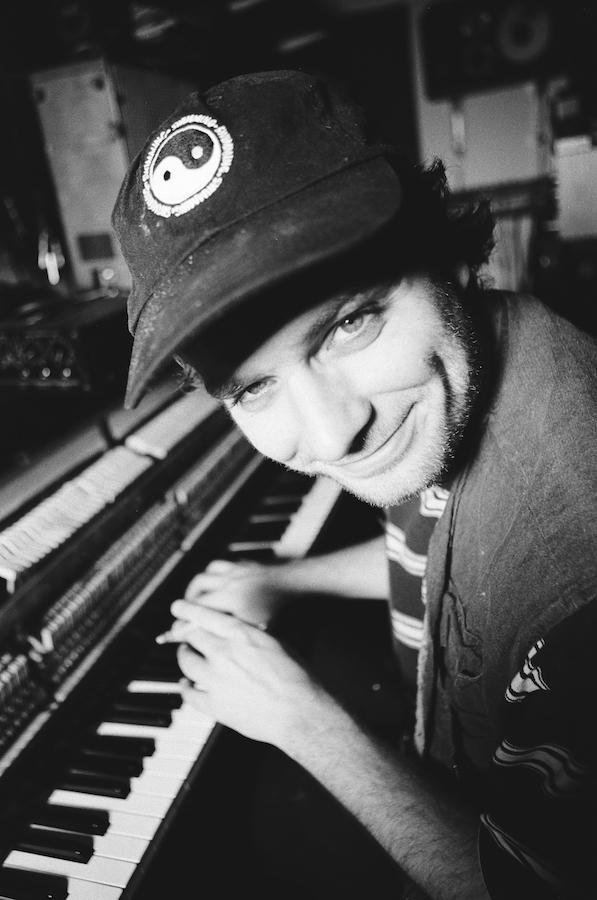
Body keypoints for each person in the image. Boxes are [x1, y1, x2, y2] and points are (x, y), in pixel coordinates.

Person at [112, 69, 597, 899]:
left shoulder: (576, 597)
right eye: (251, 388)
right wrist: (287, 578)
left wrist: (299, 718)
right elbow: (445, 556)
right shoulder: (466, 381)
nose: (333, 432)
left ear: (441, 258)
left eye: (349, 322)